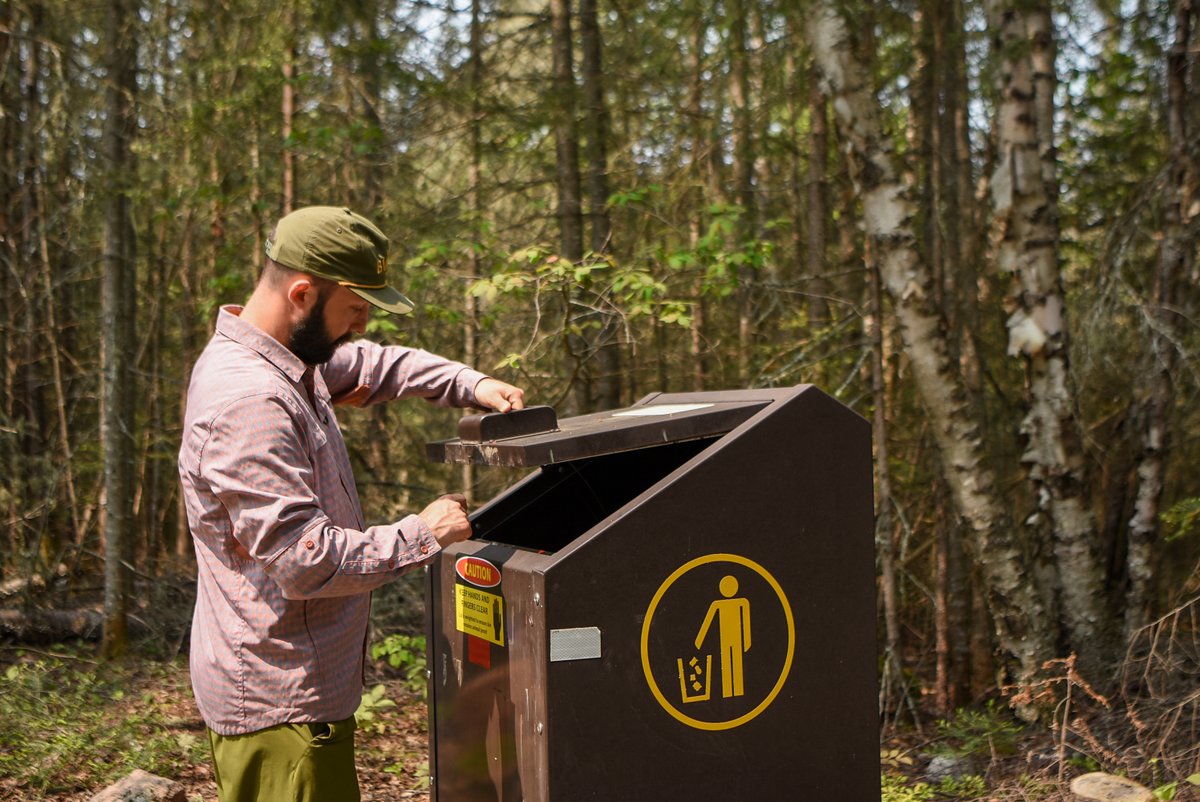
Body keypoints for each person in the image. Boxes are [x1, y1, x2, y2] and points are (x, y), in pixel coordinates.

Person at [178, 205, 525, 802]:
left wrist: (470, 383)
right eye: (355, 309)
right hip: (280, 706)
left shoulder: (288, 361)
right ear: (304, 293)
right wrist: (424, 532)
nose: (361, 326)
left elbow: (373, 364)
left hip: (299, 701)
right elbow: (305, 560)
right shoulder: (251, 400)